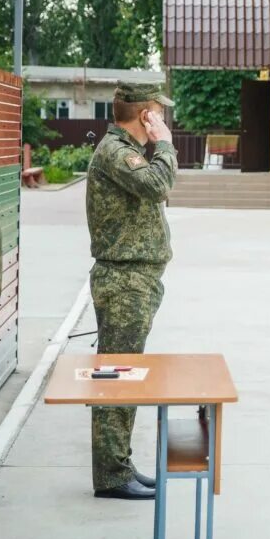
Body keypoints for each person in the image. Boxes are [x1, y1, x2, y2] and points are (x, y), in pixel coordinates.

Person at [86, 83, 178, 499]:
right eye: (160, 112)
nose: (164, 119)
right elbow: (158, 185)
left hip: (135, 279)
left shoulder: (126, 150)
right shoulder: (115, 151)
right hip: (125, 282)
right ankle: (111, 475)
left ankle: (118, 463)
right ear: (146, 116)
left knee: (125, 375)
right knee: (118, 379)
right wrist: (166, 145)